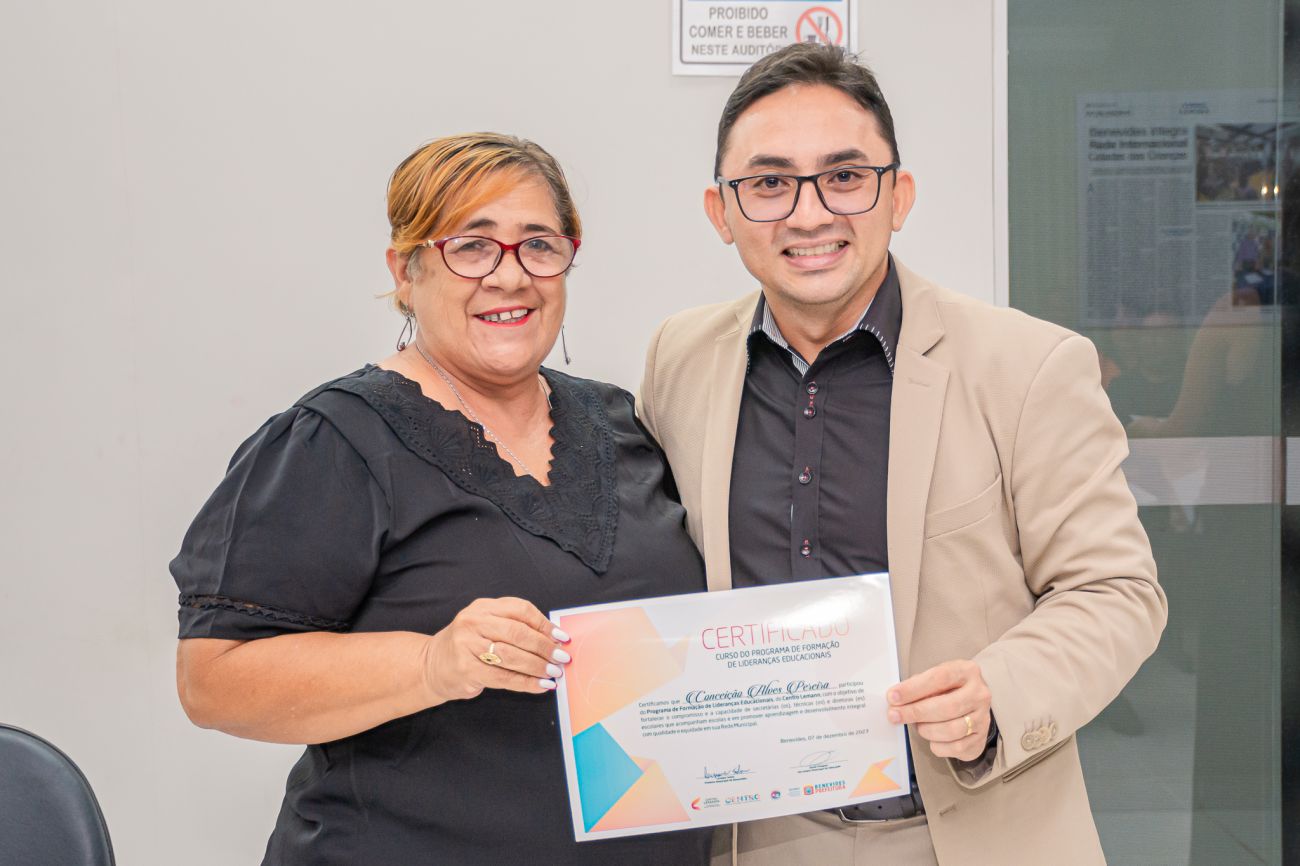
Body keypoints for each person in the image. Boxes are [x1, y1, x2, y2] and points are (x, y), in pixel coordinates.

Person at [638, 44, 1167, 865]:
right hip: (756, 837)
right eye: (770, 184)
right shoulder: (680, 359)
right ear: (722, 211)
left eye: (845, 176)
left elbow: (1116, 592)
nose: (809, 214)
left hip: (969, 835)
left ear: (899, 196)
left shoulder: (1028, 366)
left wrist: (999, 694)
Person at [171, 133, 712, 866]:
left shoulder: (620, 423)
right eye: (471, 247)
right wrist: (431, 663)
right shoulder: (337, 440)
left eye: (539, 245)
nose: (509, 275)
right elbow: (212, 680)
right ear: (405, 271)